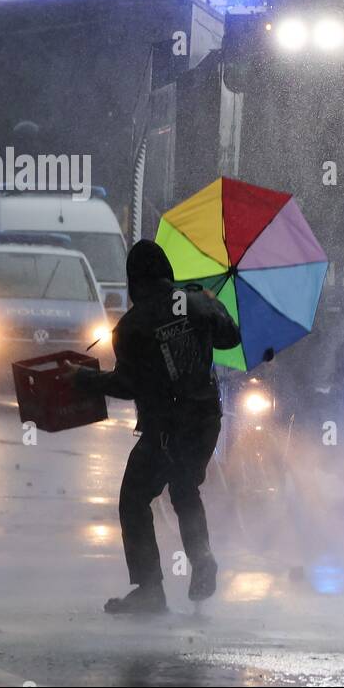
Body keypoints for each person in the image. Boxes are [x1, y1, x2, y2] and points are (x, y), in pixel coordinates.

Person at [65, 240, 241, 614]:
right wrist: (212, 304)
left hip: (166, 426)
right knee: (184, 490)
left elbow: (127, 385)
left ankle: (150, 591)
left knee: (134, 498)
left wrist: (84, 379)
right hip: (206, 418)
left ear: (134, 280)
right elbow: (231, 337)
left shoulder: (131, 327)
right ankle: (202, 557)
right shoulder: (198, 300)